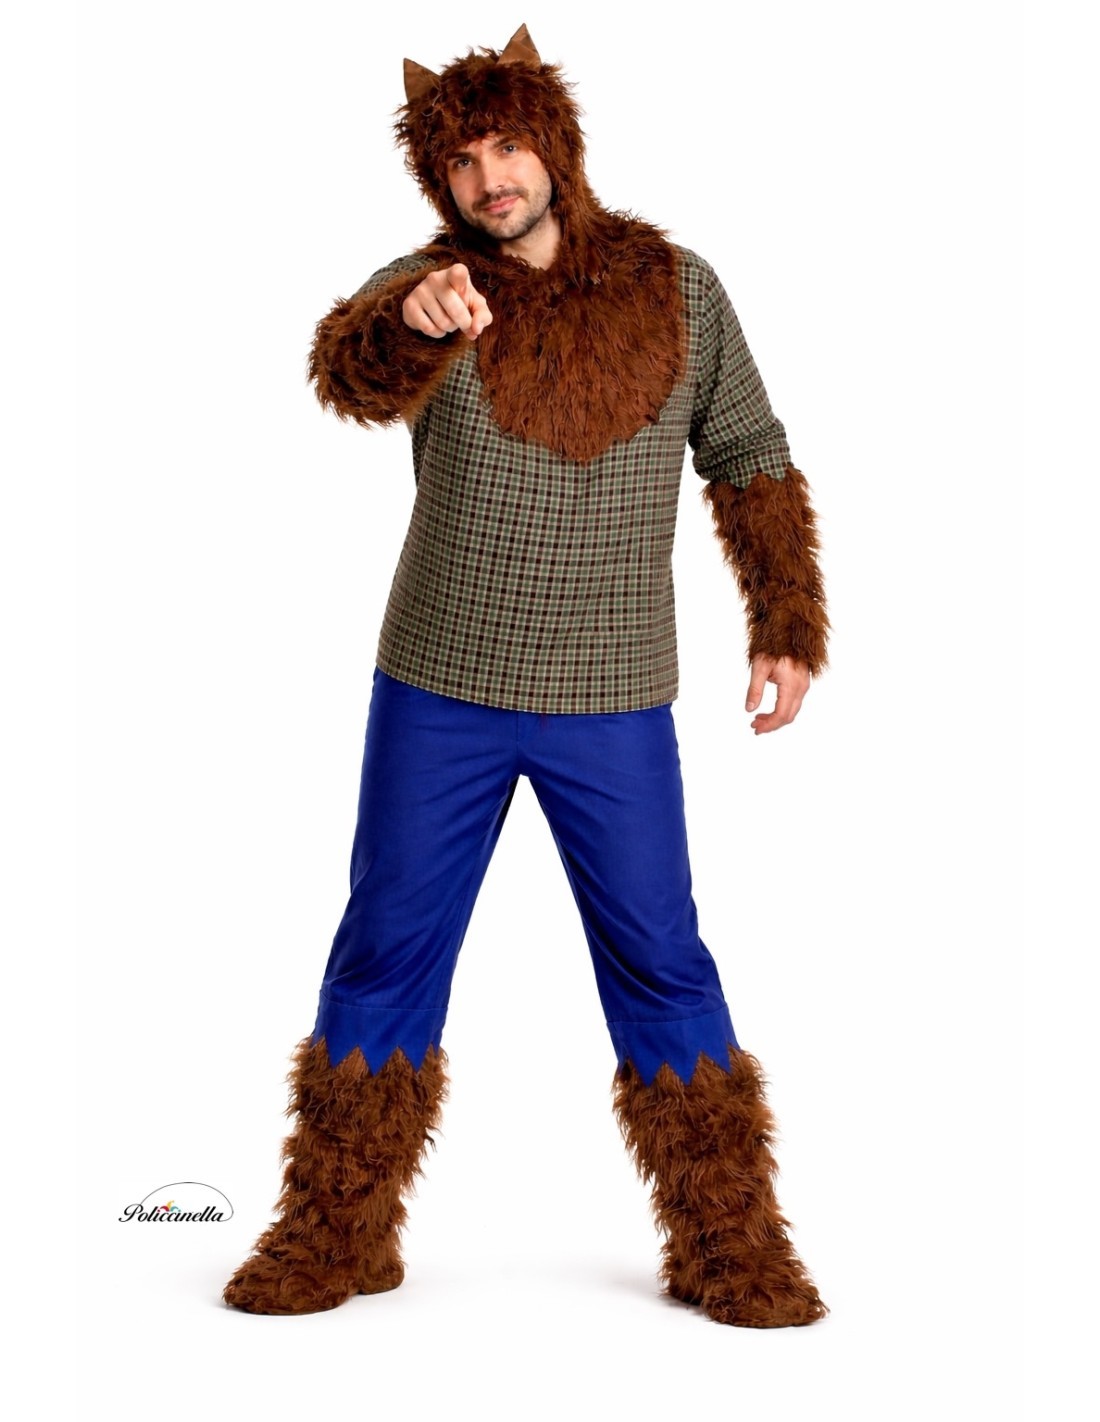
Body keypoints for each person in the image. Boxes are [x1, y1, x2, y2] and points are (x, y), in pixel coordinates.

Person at [223, 24, 830, 1328]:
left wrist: (785, 619)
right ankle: (333, 1233)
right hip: (437, 686)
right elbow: (347, 365)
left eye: (504, 146)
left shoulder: (681, 289)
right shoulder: (432, 286)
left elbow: (748, 450)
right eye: (458, 161)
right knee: (384, 949)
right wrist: (407, 319)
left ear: (553, 143)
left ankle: (731, 1246)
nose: (487, 178)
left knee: (662, 958)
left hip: (613, 698)